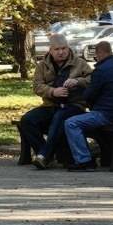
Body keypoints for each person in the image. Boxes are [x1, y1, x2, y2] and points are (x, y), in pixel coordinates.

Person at [19, 33, 93, 170]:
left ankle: (44, 155)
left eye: (64, 48)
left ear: (68, 48)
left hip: (74, 105)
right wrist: (52, 91)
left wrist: (77, 81)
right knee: (27, 120)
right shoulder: (42, 65)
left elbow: (92, 79)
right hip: (51, 104)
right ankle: (46, 153)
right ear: (50, 50)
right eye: (57, 49)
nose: (61, 52)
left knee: (59, 118)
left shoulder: (80, 63)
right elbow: (37, 86)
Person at [64, 40, 113, 171]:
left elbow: (89, 95)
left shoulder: (100, 70)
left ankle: (84, 161)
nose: (96, 58)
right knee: (81, 121)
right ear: (110, 51)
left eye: (96, 55)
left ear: (99, 53)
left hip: (106, 115)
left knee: (71, 123)